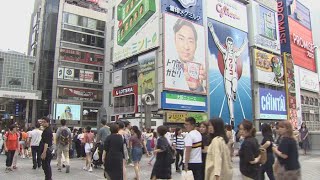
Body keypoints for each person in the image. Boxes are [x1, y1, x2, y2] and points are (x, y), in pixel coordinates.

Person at [208, 21, 248, 125]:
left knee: (234, 89)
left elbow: (242, 49)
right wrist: (212, 30)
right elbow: (217, 42)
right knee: (228, 97)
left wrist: (245, 42)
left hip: (234, 75)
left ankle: (234, 92)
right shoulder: (225, 53)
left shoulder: (235, 54)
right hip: (227, 76)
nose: (230, 45)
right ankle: (232, 117)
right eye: (228, 44)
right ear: (227, 45)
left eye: (231, 44)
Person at [166, 19, 206, 93]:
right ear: (175, 40)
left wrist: (198, 87)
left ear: (196, 44)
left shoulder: (202, 70)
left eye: (190, 41)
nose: (186, 47)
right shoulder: (167, 65)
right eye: (181, 39)